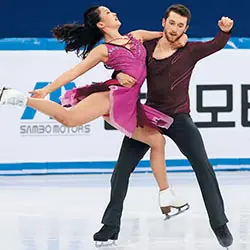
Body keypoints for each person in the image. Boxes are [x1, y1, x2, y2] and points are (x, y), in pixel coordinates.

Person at [0, 5, 189, 225]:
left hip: (129, 103)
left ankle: (166, 195)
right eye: (108, 13)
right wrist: (47, 89)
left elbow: (168, 36)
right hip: (115, 96)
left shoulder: (136, 36)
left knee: (157, 140)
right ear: (101, 24)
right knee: (69, 119)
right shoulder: (103, 50)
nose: (114, 13)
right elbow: (74, 72)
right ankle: (20, 98)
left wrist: (182, 38)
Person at [93, 4, 234, 249]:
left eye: (181, 25)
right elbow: (123, 66)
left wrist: (224, 32)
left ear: (186, 28)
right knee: (121, 170)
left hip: (179, 118)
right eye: (172, 23)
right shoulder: (144, 48)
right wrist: (116, 77)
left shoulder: (190, 51)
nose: (175, 29)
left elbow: (215, 45)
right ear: (163, 22)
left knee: (203, 165)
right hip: (149, 116)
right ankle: (110, 226)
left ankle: (219, 225)